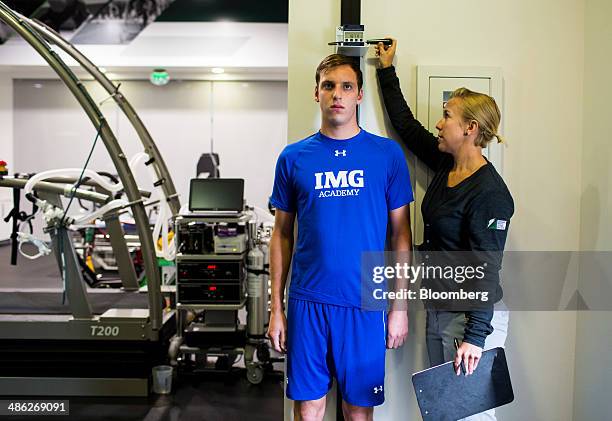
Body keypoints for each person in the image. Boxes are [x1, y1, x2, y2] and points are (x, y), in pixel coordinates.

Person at [267, 54, 414, 421]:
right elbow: (281, 234)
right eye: (328, 85)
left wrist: (399, 307)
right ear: (316, 93)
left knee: (358, 411)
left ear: (359, 95)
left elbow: (401, 235)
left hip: (364, 303)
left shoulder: (386, 155)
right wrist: (276, 309)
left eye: (346, 86)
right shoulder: (293, 158)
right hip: (308, 302)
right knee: (309, 407)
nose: (337, 94)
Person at [375, 39, 514, 420]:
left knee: (470, 416)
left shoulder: (490, 194)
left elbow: (486, 270)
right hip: (439, 311)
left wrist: (474, 337)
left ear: (469, 128)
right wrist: (387, 70)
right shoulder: (445, 165)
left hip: (471, 318)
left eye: (447, 115)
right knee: (442, 414)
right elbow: (405, 126)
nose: (438, 122)